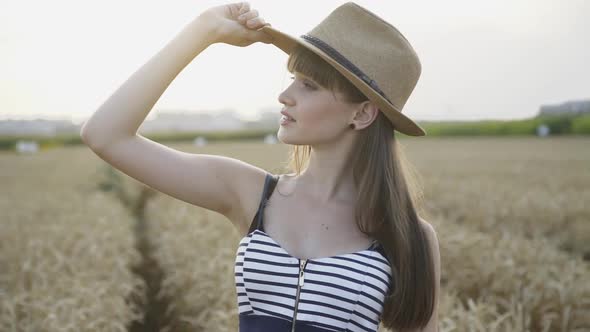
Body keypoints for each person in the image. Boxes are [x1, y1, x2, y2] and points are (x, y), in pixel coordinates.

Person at [80, 1, 440, 331]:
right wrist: (204, 30)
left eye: (309, 85)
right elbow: (106, 135)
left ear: (362, 113)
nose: (285, 96)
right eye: (293, 80)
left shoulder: (410, 235)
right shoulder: (250, 192)